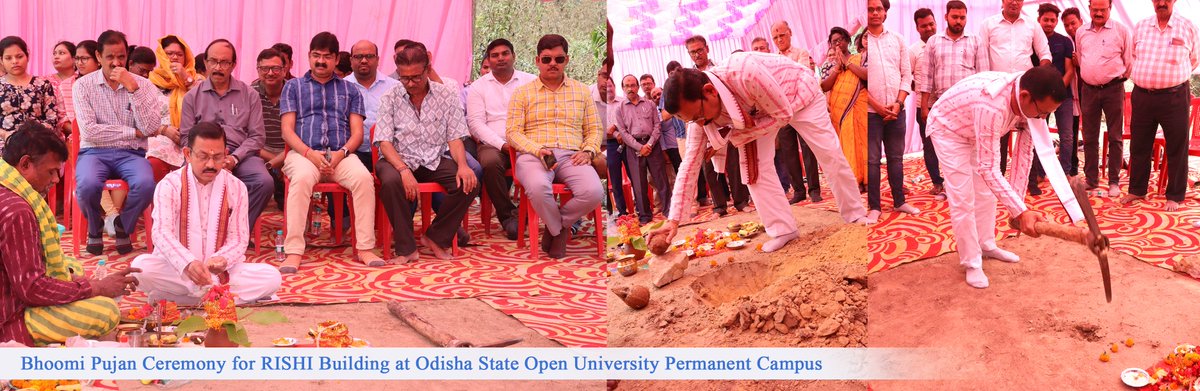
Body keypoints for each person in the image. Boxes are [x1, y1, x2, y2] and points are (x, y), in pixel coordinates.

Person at [651, 52, 871, 253]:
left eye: (698, 116)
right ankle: (783, 229)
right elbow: (689, 164)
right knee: (755, 167)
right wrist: (673, 220)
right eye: (691, 120)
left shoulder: (744, 73)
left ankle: (855, 213)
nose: (699, 124)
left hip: (797, 92)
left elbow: (783, 114)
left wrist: (739, 134)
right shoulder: (699, 118)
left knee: (829, 152)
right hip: (757, 113)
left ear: (709, 91)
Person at [928, 67, 1068, 289]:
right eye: (1041, 112)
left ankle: (986, 245)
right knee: (963, 198)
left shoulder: (1029, 100)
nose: (1042, 118)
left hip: (973, 129)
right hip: (949, 130)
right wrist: (1021, 212)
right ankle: (972, 262)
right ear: (1025, 97)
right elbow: (988, 167)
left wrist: (1018, 211)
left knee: (986, 192)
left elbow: (1024, 152)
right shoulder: (992, 104)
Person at [0, 123, 138, 346]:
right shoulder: (17, 210)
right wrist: (96, 288)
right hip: (9, 317)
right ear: (25, 164)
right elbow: (32, 288)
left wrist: (79, 282)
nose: (56, 180)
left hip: (12, 291)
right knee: (105, 311)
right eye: (51, 171)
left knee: (73, 266)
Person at [130, 122, 281, 305]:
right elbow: (161, 233)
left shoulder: (236, 187)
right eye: (203, 156)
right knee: (140, 268)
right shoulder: (169, 185)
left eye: (217, 157)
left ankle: (180, 299)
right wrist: (188, 263)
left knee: (272, 277)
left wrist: (222, 259)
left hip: (220, 273)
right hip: (178, 271)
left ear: (226, 154)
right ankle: (218, 298)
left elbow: (239, 238)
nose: (210, 164)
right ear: (187, 154)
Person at [279, 32, 382, 272]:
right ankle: (293, 251)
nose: (321, 61)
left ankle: (365, 248)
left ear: (336, 59)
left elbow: (357, 132)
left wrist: (341, 154)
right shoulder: (293, 87)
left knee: (363, 179)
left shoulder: (350, 90)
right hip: (303, 154)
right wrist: (309, 154)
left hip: (340, 154)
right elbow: (287, 131)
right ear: (309, 56)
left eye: (327, 56)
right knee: (302, 178)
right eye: (316, 56)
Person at [376, 45, 479, 262]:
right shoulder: (390, 96)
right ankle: (406, 249)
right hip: (397, 158)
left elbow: (455, 137)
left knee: (469, 182)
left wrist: (462, 165)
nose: (411, 83)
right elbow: (384, 141)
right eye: (405, 78)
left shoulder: (446, 95)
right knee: (390, 181)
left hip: (432, 158)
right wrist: (403, 170)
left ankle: (436, 237)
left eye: (416, 77)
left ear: (427, 69)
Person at [507, 34, 603, 259]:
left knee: (594, 192)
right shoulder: (522, 92)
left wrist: (588, 151)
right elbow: (512, 132)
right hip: (535, 155)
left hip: (572, 156)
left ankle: (556, 227)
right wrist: (536, 149)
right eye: (547, 59)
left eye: (559, 59)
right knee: (538, 188)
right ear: (537, 60)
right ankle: (559, 231)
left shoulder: (581, 92)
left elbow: (594, 129)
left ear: (567, 60)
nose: (553, 64)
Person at [73, 30, 164, 256]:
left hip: (131, 154)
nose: (116, 63)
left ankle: (122, 226)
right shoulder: (82, 86)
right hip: (93, 152)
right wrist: (133, 132)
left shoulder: (143, 85)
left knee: (145, 184)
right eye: (110, 57)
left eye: (121, 57)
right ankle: (95, 228)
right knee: (86, 185)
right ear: (98, 56)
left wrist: (132, 89)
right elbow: (89, 131)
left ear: (127, 56)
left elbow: (151, 128)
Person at [179, 39, 272, 230]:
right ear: (205, 63)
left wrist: (234, 158)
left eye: (224, 62)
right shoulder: (192, 97)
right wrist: (207, 157)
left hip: (241, 154)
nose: (218, 67)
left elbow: (257, 137)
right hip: (203, 155)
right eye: (213, 61)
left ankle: (234, 230)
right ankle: (197, 231)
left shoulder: (249, 94)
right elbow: (185, 138)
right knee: (182, 181)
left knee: (264, 182)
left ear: (233, 65)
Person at [1121, 0, 1199, 211]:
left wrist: (1170, 78)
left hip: (1174, 97)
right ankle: (1137, 189)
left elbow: (1194, 60)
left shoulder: (1187, 26)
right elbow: (1134, 57)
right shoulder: (1141, 26)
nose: (1161, 3)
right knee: (1139, 145)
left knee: (1176, 146)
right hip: (1143, 95)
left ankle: (1175, 195)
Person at [466, 38, 536, 239]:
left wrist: (525, 143)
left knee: (548, 161)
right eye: (494, 55)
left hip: (528, 140)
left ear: (513, 56)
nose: (500, 58)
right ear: (489, 59)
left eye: (505, 53)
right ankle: (508, 216)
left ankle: (533, 213)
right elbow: (476, 124)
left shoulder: (531, 81)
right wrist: (503, 145)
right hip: (494, 142)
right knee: (489, 162)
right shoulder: (478, 87)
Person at [918, 0, 988, 196]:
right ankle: (952, 189)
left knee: (970, 150)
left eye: (962, 17)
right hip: (943, 106)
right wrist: (924, 106)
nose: (958, 21)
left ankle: (971, 189)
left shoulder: (975, 41)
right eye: (954, 17)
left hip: (969, 106)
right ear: (946, 17)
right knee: (949, 152)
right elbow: (927, 76)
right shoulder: (934, 41)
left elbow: (983, 77)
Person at [979, 0, 1053, 174]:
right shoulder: (988, 24)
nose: (1014, 2)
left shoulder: (1032, 25)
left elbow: (1045, 53)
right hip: (997, 89)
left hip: (1025, 91)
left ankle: (1031, 180)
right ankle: (999, 176)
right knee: (998, 137)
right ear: (1003, 1)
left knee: (1029, 135)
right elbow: (981, 56)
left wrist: (1039, 79)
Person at [865, 0, 920, 223]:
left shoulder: (897, 39)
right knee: (872, 161)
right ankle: (874, 207)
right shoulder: (859, 43)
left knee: (896, 158)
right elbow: (858, 82)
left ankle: (899, 201)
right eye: (870, 9)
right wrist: (878, 107)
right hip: (869, 112)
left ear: (885, 12)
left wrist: (897, 104)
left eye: (879, 9)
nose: (875, 13)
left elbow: (907, 75)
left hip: (897, 110)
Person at [1076, 0, 1132, 197]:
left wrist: (1115, 79)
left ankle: (1114, 181)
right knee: (1089, 136)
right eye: (1095, 9)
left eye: (1103, 9)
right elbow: (1081, 58)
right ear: (1089, 8)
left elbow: (1128, 61)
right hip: (1088, 90)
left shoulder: (1121, 31)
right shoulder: (1081, 32)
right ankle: (1091, 180)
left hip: (1113, 89)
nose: (1098, 13)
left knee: (1115, 136)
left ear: (1110, 8)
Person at [685, 35, 744, 215]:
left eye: (699, 50)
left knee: (734, 164)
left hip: (726, 124)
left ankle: (741, 202)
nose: (697, 54)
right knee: (709, 167)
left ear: (707, 49)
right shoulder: (687, 79)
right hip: (703, 128)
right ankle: (719, 206)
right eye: (692, 52)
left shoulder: (719, 69)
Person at [1026, 3, 1077, 196]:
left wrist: (1056, 91)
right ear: (1039, 20)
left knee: (1067, 136)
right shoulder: (1032, 40)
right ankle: (1039, 173)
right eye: (1045, 19)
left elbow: (1070, 70)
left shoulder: (1064, 41)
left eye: (1053, 20)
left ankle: (1064, 172)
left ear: (1057, 22)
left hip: (1062, 96)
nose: (1049, 23)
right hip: (1038, 99)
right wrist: (1042, 95)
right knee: (1039, 136)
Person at [774, 23, 822, 204]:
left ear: (790, 33)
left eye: (782, 35)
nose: (780, 40)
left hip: (802, 109)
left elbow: (801, 76)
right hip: (783, 113)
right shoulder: (772, 58)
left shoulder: (801, 53)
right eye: (776, 37)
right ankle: (799, 191)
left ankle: (814, 189)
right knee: (788, 152)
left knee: (808, 149)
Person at [145, 35, 201, 182]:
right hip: (160, 136)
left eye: (179, 54)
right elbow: (142, 117)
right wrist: (164, 130)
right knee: (153, 162)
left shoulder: (198, 81)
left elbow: (204, 104)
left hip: (192, 137)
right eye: (169, 54)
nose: (174, 57)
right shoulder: (150, 83)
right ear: (162, 55)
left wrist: (185, 77)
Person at [616, 74, 671, 224]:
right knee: (639, 185)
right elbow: (623, 133)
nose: (630, 89)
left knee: (661, 180)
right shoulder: (619, 109)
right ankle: (645, 216)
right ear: (623, 88)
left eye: (633, 85)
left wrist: (650, 145)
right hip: (633, 149)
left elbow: (657, 126)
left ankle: (668, 211)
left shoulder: (650, 104)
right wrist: (640, 147)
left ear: (637, 87)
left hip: (652, 145)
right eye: (627, 86)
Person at [822, 28, 869, 191]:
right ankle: (853, 180)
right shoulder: (830, 64)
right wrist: (837, 67)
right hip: (839, 112)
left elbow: (866, 76)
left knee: (862, 144)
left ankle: (866, 180)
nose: (838, 43)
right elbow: (824, 86)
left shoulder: (859, 58)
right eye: (834, 41)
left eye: (841, 39)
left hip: (858, 108)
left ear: (848, 40)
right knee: (846, 145)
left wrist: (847, 63)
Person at [345, 40, 400, 172]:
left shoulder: (394, 87)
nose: (364, 60)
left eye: (369, 56)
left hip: (387, 154)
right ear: (351, 60)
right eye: (358, 57)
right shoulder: (341, 87)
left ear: (377, 59)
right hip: (351, 154)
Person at [0, 36, 60, 152]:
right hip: (5, 143)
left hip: (38, 142)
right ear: (1, 61)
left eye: (19, 56)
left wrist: (33, 137)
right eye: (8, 58)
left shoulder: (43, 84)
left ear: (27, 57)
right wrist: (5, 135)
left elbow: (51, 119)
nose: (15, 61)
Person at [909, 8, 944, 198]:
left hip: (947, 106)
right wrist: (920, 91)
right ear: (917, 28)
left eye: (932, 24)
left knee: (951, 146)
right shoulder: (913, 51)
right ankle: (937, 182)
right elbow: (907, 77)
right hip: (925, 108)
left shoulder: (945, 45)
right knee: (929, 147)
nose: (929, 28)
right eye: (924, 26)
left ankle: (953, 181)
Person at [253, 49, 288, 210]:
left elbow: (300, 134)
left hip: (290, 150)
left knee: (285, 205)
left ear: (284, 70)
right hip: (261, 150)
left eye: (276, 68)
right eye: (265, 69)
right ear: (258, 70)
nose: (270, 73)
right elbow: (248, 136)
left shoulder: (294, 92)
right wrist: (275, 162)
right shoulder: (249, 93)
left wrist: (281, 159)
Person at [594, 64, 628, 217]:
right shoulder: (589, 98)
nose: (608, 88)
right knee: (614, 179)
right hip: (607, 145)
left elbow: (628, 123)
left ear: (615, 87)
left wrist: (616, 129)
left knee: (635, 175)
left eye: (610, 86)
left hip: (627, 143)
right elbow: (605, 130)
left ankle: (640, 208)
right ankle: (621, 211)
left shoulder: (623, 102)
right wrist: (614, 133)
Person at [1061, 7, 1085, 177]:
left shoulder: (1089, 39)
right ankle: (1072, 167)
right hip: (1072, 92)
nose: (1070, 28)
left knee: (1090, 132)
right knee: (1072, 131)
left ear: (1081, 21)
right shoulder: (1065, 42)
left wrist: (1081, 62)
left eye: (1073, 23)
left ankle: (1092, 172)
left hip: (1089, 91)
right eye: (1066, 25)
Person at [47, 41, 76, 135]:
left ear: (74, 58)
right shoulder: (45, 82)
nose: (56, 56)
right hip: (54, 132)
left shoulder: (81, 80)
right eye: (54, 53)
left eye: (61, 53)